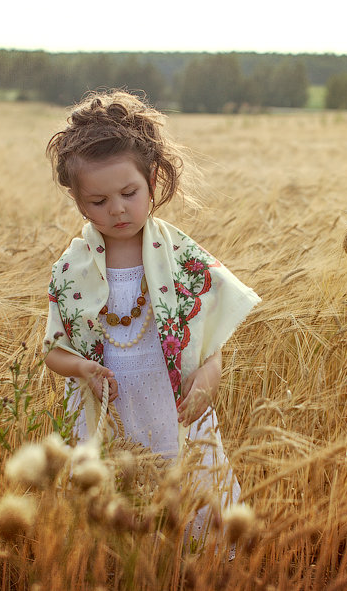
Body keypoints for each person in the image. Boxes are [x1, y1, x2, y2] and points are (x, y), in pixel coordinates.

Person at [41, 90, 260, 538]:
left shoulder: (181, 258)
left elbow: (209, 343)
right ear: (78, 201)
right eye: (98, 201)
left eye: (129, 193)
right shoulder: (71, 268)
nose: (117, 209)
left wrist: (208, 378)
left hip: (172, 412)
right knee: (113, 533)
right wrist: (82, 367)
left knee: (189, 521)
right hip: (106, 416)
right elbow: (53, 352)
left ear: (153, 180)